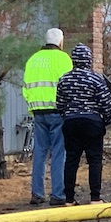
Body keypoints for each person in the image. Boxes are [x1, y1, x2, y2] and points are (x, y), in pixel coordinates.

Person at [56, 43, 111, 206]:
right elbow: (105, 103)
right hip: (92, 122)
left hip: (71, 122)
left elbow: (60, 103)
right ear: (89, 60)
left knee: (71, 159)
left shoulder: (64, 79)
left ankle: (69, 198)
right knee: (94, 160)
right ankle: (95, 197)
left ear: (73, 60)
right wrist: (105, 121)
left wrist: (67, 115)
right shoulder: (96, 78)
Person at [22, 28, 72, 206]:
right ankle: (57, 194)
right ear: (60, 42)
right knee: (58, 153)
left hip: (38, 112)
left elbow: (26, 87)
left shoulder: (33, 60)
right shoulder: (63, 59)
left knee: (40, 153)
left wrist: (33, 106)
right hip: (57, 112)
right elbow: (68, 85)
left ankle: (37, 193)